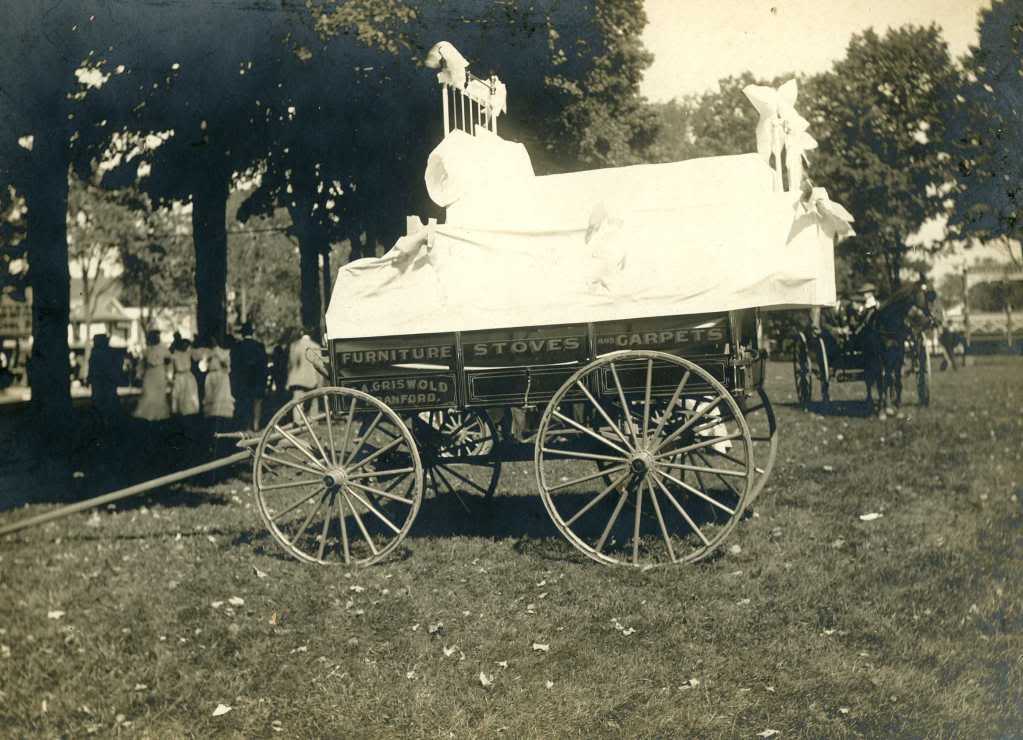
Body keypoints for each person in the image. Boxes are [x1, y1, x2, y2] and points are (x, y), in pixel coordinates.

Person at [233, 321, 268, 431]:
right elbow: (264, 366)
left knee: (245, 404)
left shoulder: (237, 347)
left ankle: (246, 426)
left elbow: (234, 366)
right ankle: (256, 425)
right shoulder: (259, 346)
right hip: (257, 381)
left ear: (242, 334)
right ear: (252, 333)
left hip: (243, 381)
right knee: (257, 403)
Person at [133, 330, 171, 421]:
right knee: (148, 393)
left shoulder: (164, 349)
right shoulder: (146, 350)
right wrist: (139, 375)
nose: (155, 339)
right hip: (150, 374)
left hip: (159, 372)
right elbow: (142, 364)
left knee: (159, 394)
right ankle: (147, 414)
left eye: (157, 337)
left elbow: (168, 362)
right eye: (153, 337)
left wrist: (168, 374)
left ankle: (159, 415)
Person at [287, 327, 322, 425]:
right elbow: (319, 366)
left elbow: (291, 364)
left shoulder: (294, 345)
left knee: (297, 402)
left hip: (297, 379)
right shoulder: (316, 346)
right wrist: (320, 382)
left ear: (301, 333)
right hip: (311, 379)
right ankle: (314, 422)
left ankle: (297, 423)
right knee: (313, 402)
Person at [87, 334, 121, 425]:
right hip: (104, 380)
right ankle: (105, 419)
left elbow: (92, 367)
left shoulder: (96, 352)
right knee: (105, 400)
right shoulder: (109, 352)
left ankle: (103, 419)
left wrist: (89, 378)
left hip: (102, 380)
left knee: (101, 400)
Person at [202, 335, 235, 424]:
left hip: (222, 376)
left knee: (221, 397)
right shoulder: (207, 353)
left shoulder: (225, 352)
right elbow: (202, 367)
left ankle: (222, 418)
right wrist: (207, 361)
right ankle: (212, 417)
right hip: (210, 376)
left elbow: (227, 367)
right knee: (210, 396)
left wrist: (219, 355)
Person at [170, 334, 200, 416]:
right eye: (185, 345)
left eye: (187, 346)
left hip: (188, 376)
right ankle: (178, 412)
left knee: (189, 394)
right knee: (179, 394)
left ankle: (190, 412)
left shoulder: (189, 353)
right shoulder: (175, 354)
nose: (186, 347)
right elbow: (171, 366)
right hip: (179, 376)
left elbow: (198, 355)